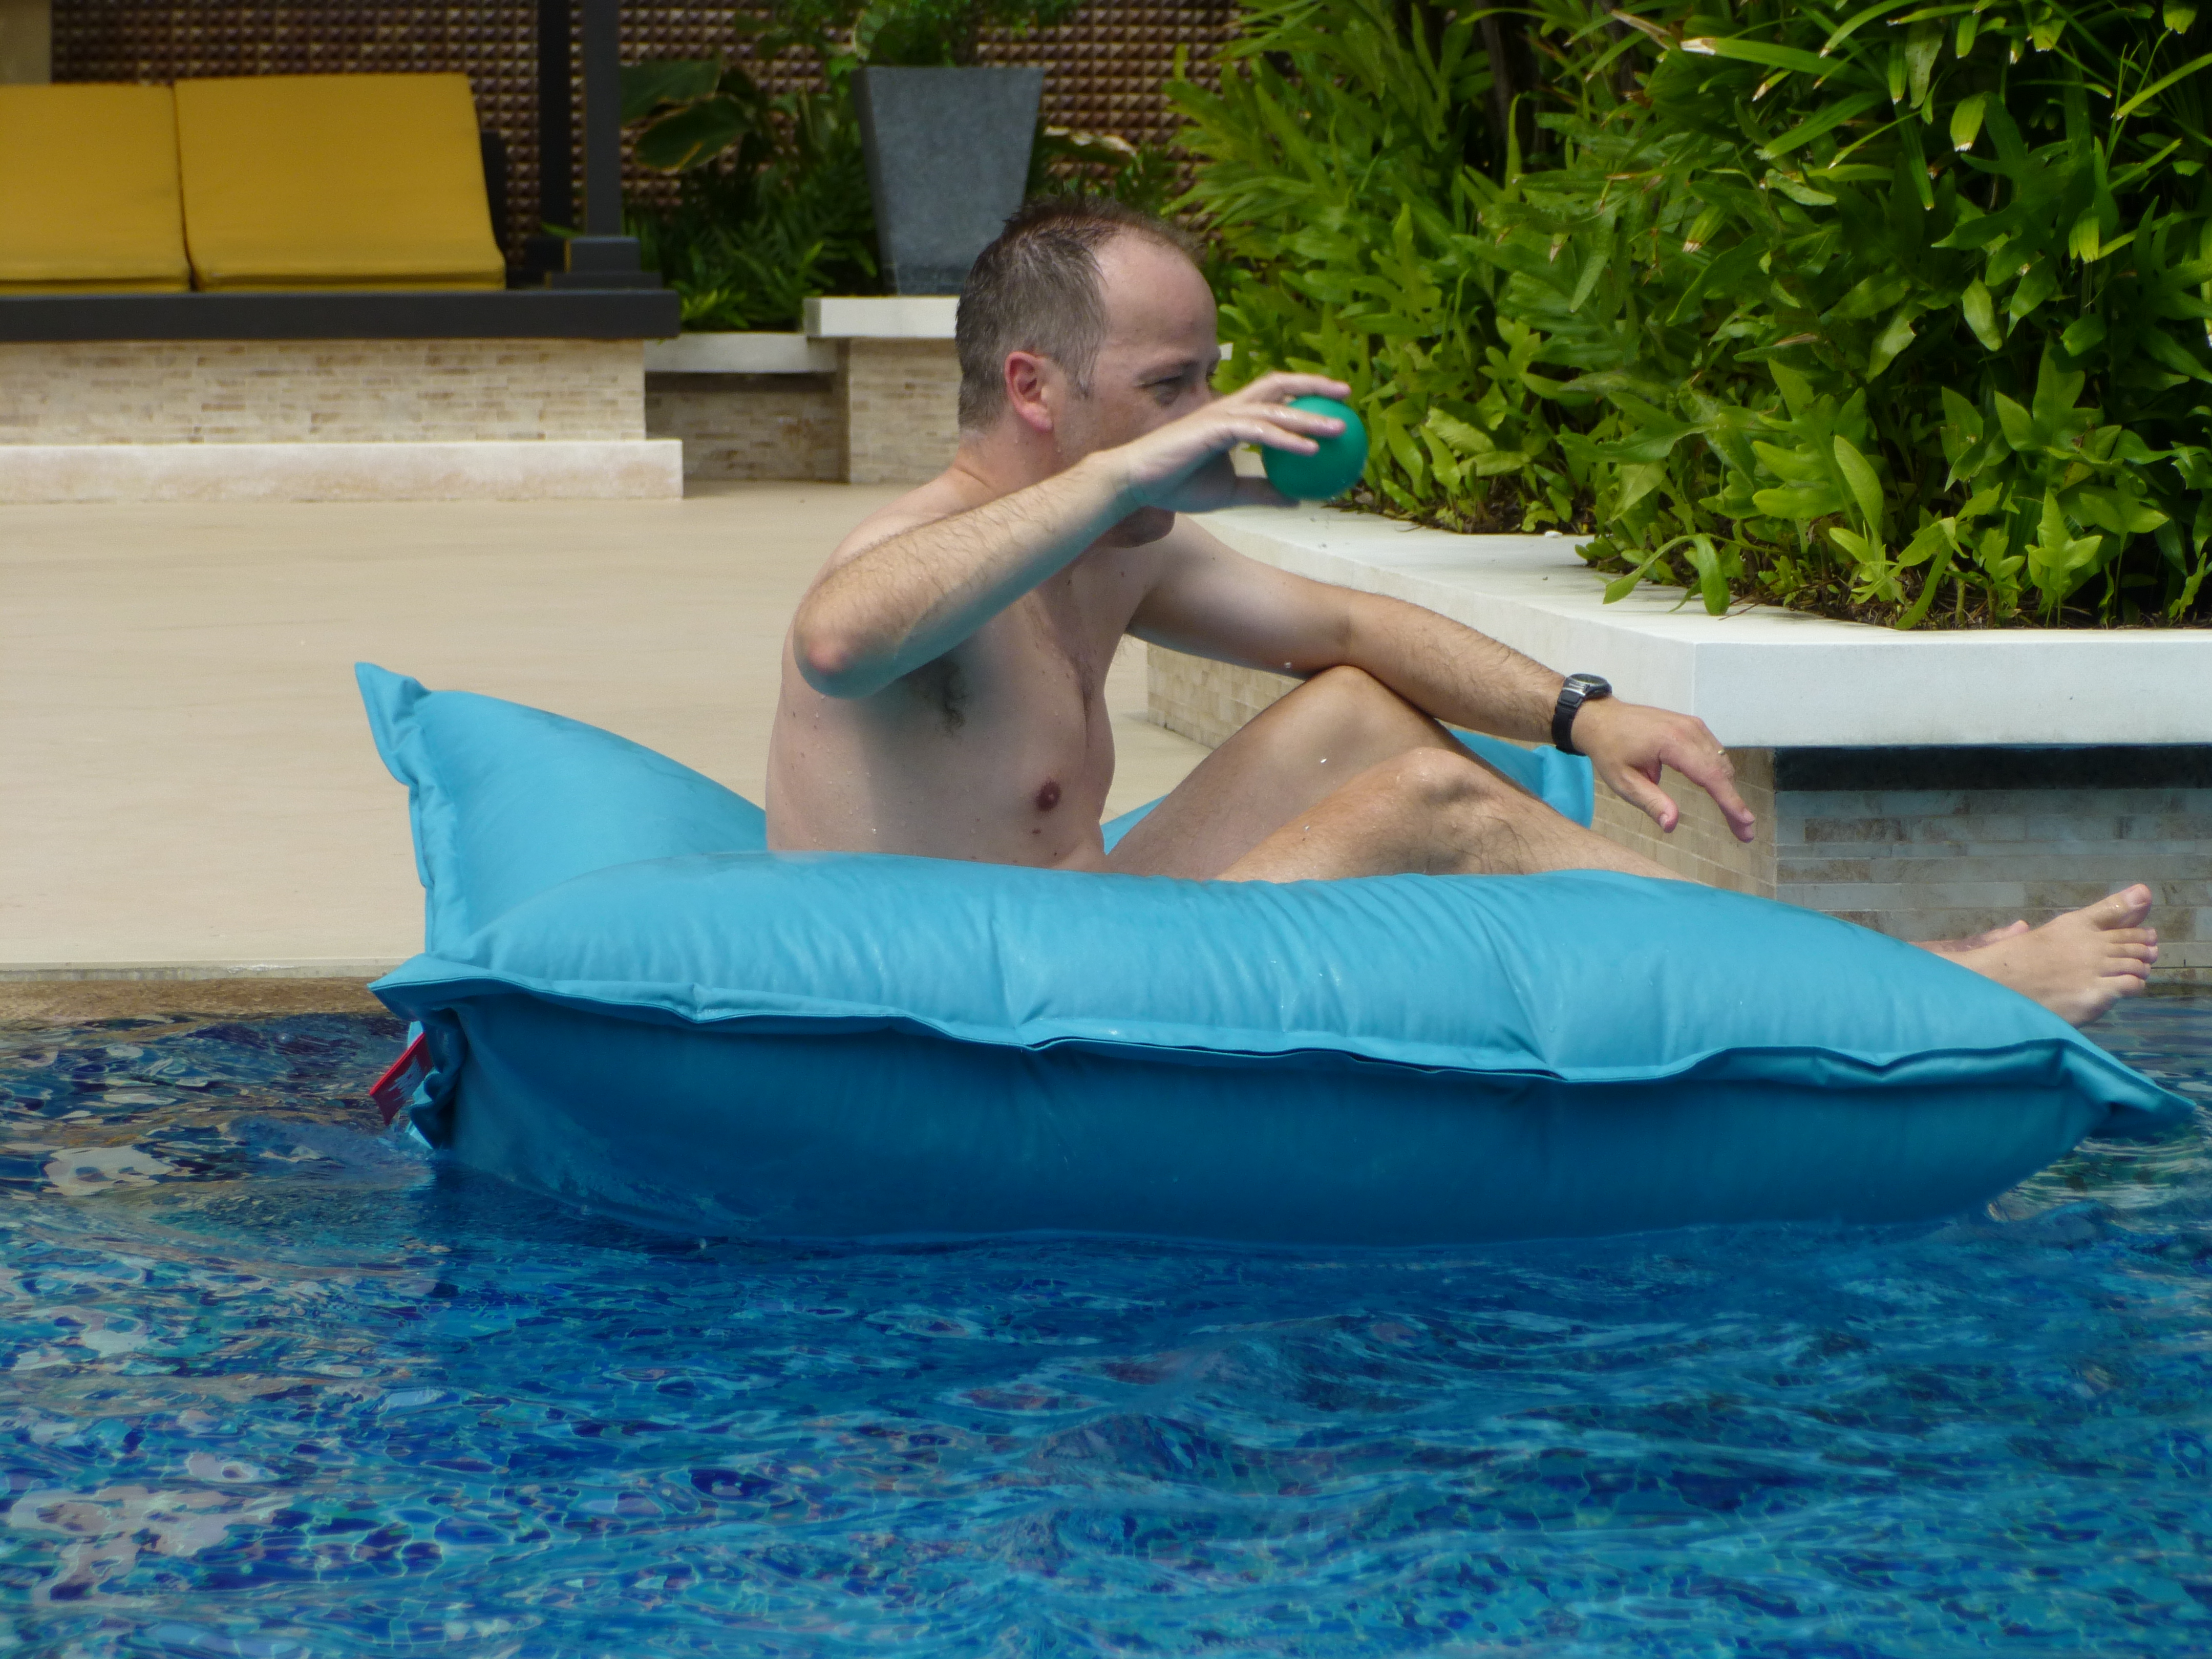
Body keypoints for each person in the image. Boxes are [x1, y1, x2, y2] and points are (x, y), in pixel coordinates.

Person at [767, 197, 2157, 1026]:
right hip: (966, 1008)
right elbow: (839, 638)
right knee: (1437, 801)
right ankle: (1917, 984)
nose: (1206, 419)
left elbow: (1354, 632)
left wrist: (1587, 716)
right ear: (1033, 389)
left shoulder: (1116, 554)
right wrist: (1134, 470)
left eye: (1208, 382)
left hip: (1089, 944)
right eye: (1170, 388)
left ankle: (1796, 976)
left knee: (1362, 714)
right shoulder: (924, 551)